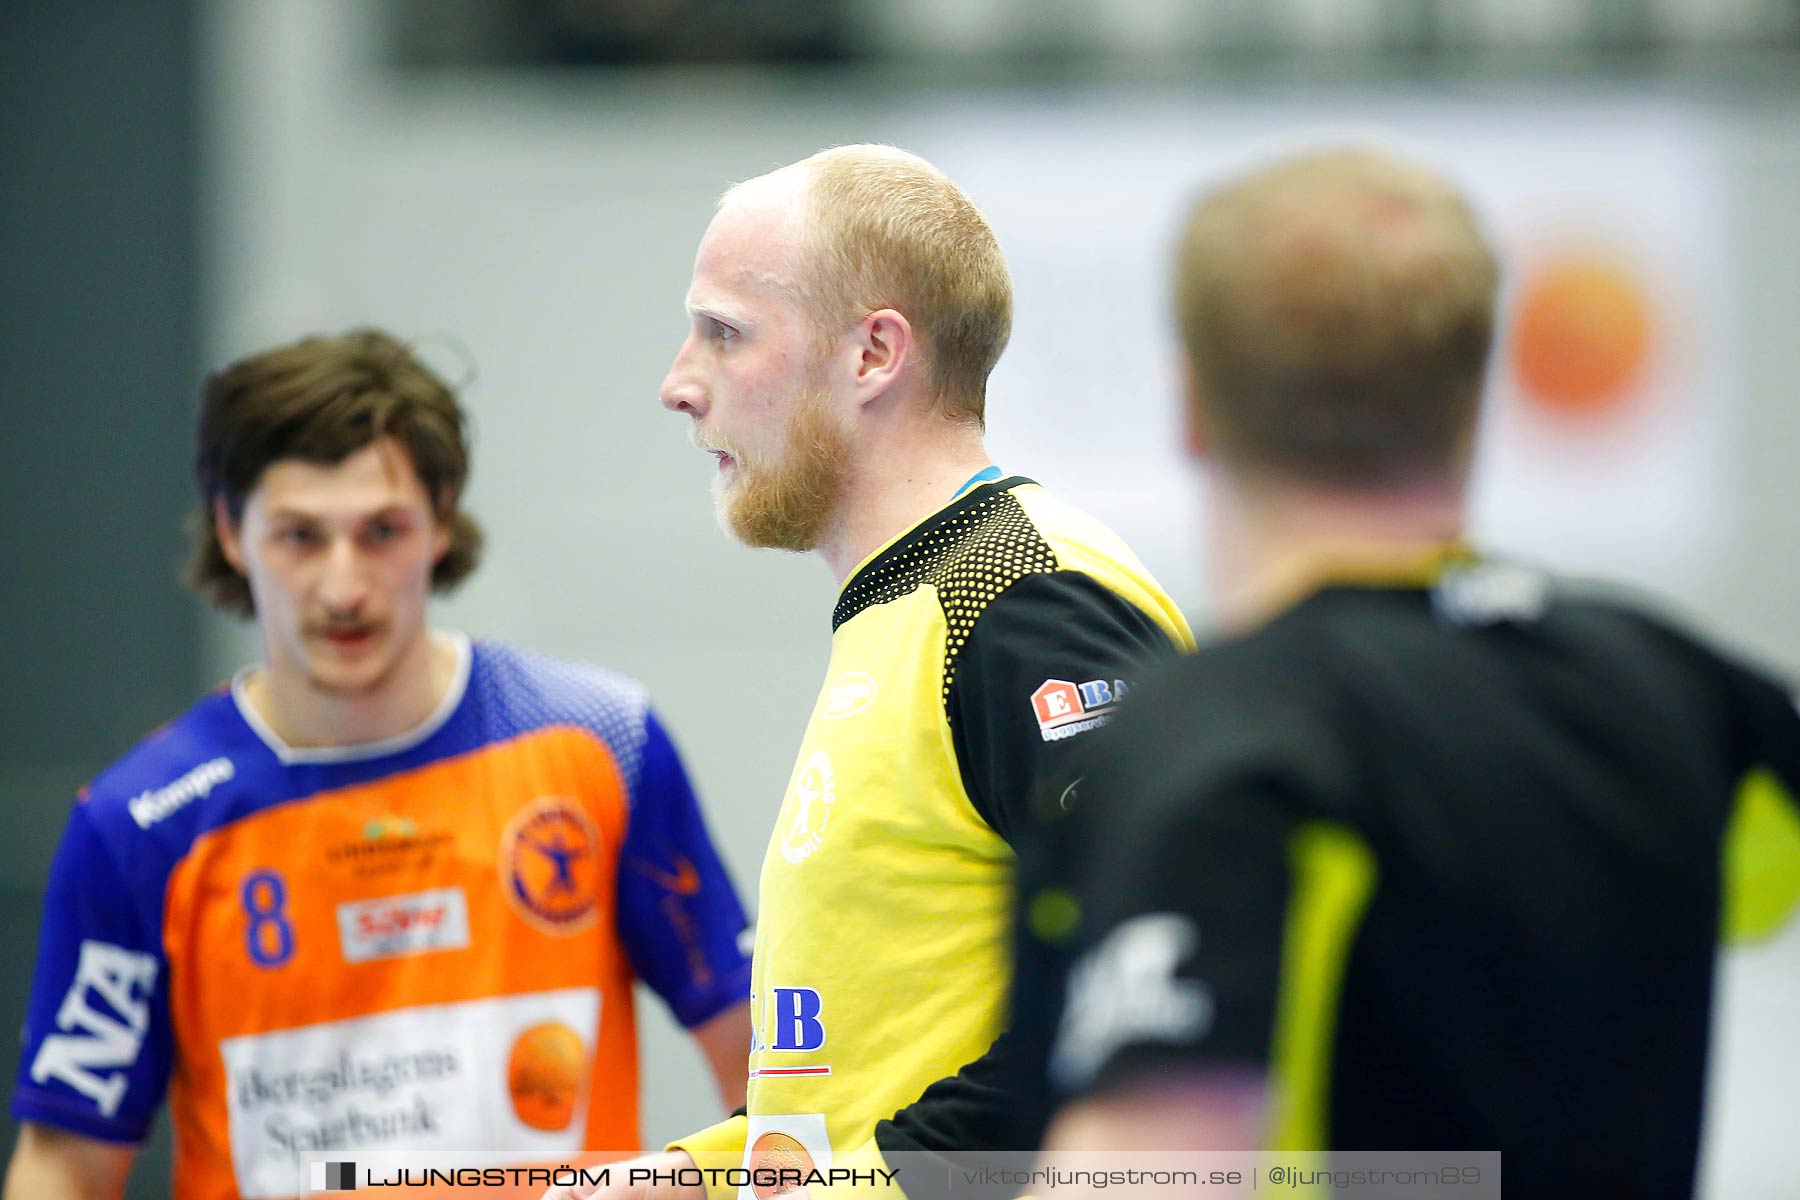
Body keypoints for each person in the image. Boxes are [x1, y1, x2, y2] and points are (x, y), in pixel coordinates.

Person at [1010, 147, 1800, 1196]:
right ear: (1473, 400)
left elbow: (1156, 1165)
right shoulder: (1680, 688)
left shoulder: (1210, 736)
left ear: (1192, 407)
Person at [550, 144, 1195, 1200]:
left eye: (724, 332)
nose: (678, 384)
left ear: (872, 355)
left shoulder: (1020, 599)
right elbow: (868, 1090)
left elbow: (1138, 1000)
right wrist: (690, 1175)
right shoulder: (916, 604)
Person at [6, 330, 755, 1200]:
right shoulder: (140, 826)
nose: (343, 584)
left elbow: (760, 1067)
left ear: (440, 519)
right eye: (299, 536)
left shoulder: (600, 743)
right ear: (231, 531)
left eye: (382, 530)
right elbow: (65, 1165)